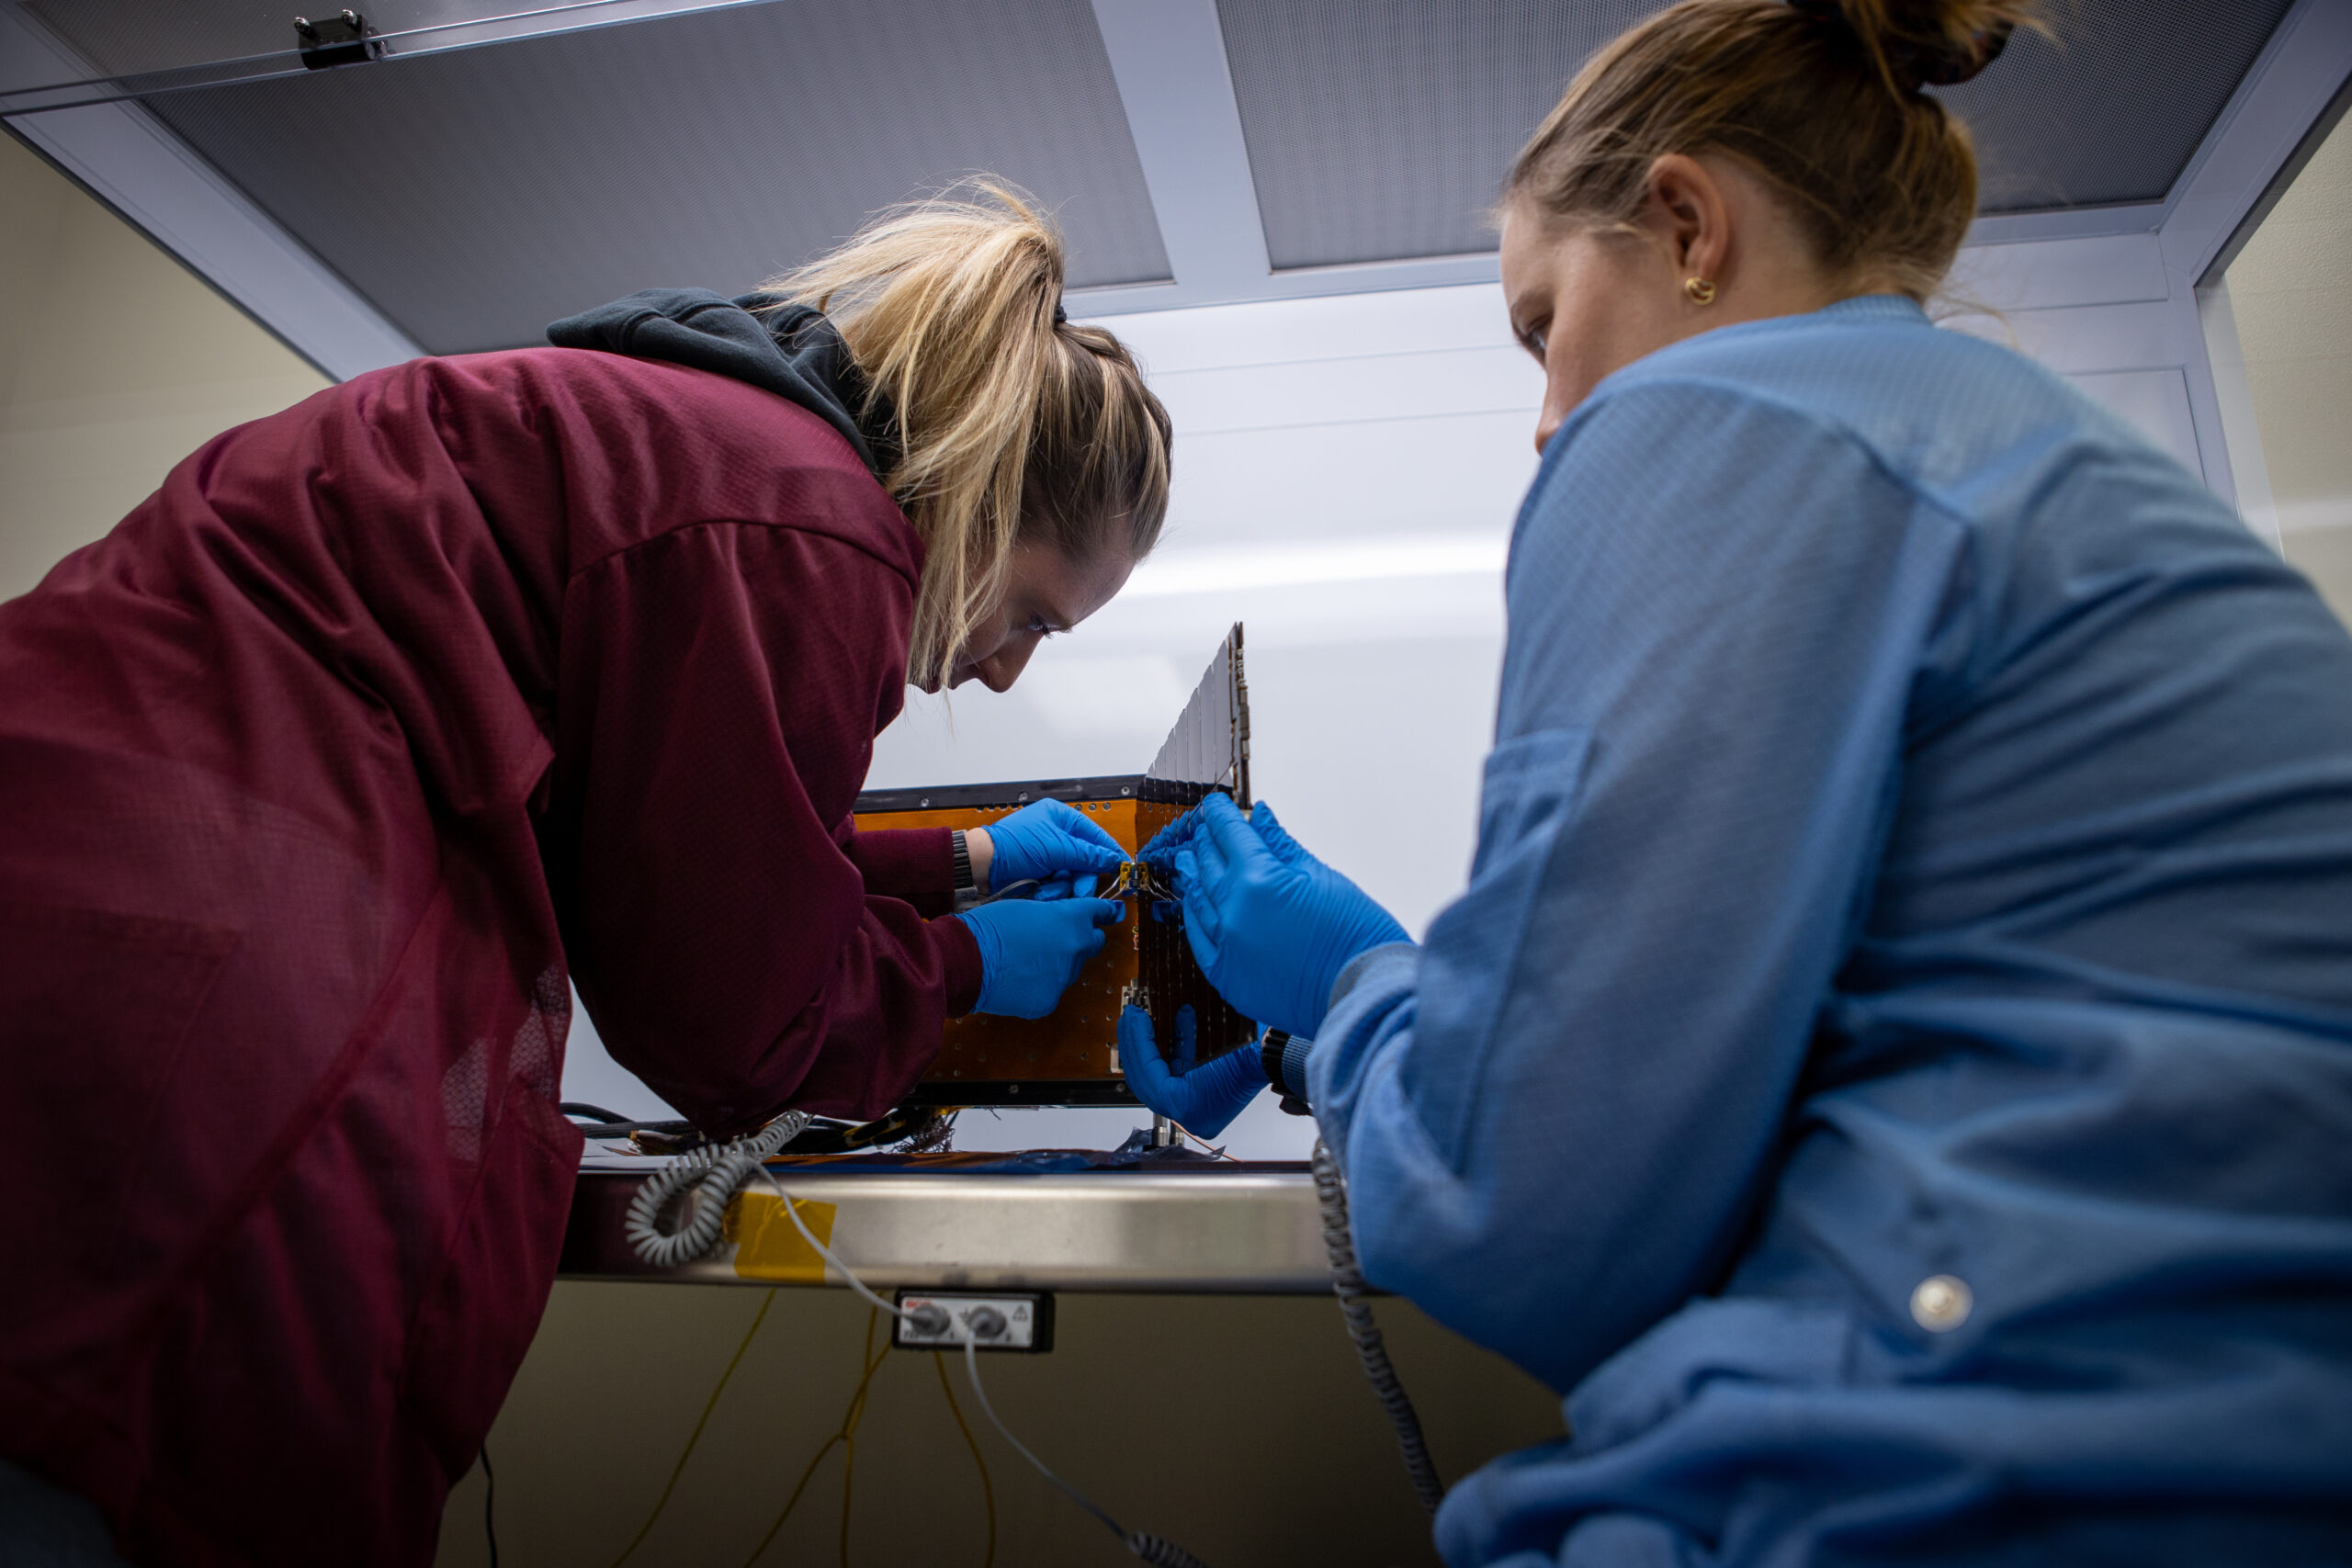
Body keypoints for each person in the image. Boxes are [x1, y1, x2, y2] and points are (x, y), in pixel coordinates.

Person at [1122, 1, 2352, 1561]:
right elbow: (1777, 1070)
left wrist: (1360, 984)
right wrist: (1325, 1047)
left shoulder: (1714, 419)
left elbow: (1540, 1216)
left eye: (1541, 325)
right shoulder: (1991, 443)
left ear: (1689, 225)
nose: (1553, 416)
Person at [0, 182, 1165, 1566]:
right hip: (189, 1052)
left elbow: (676, 841)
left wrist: (962, 861)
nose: (1008, 666)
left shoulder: (691, 436)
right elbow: (737, 1027)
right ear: (977, 484)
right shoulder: (809, 532)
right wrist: (974, 971)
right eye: (1030, 610)